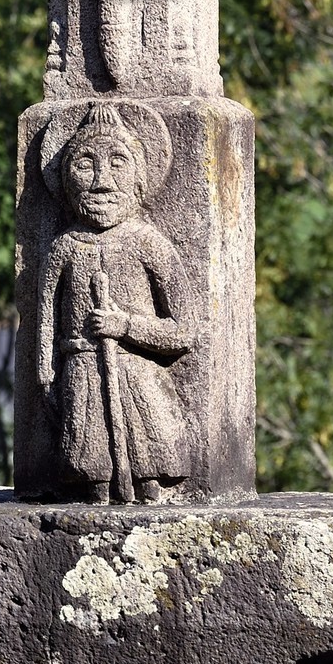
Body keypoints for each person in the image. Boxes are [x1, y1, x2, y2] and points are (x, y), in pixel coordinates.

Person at [37, 100, 193, 504]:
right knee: (90, 474)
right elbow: (44, 326)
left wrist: (125, 326)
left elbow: (185, 329)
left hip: (137, 377)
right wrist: (49, 379)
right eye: (85, 165)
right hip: (83, 374)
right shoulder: (63, 248)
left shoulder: (147, 243)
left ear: (140, 177)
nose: (101, 181)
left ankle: (149, 494)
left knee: (150, 471)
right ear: (65, 180)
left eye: (118, 163)